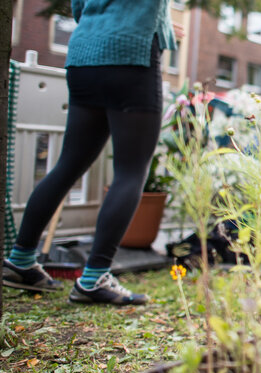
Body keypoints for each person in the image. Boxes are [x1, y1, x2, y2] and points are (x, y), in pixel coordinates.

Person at [2, 0, 177, 305]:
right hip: (131, 54)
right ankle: (95, 277)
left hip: (84, 55)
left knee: (69, 163)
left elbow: (80, 8)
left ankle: (21, 259)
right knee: (131, 171)